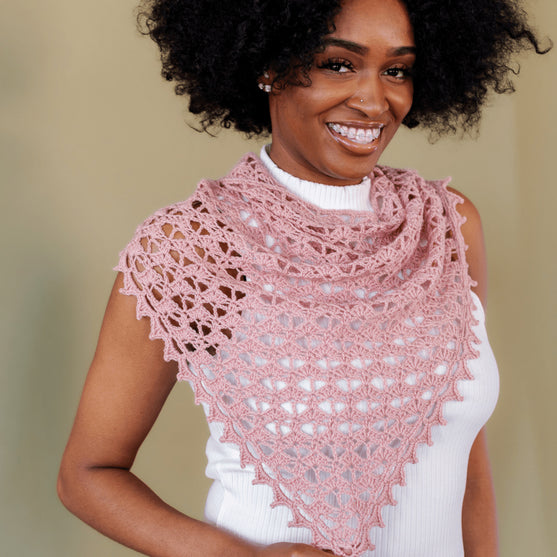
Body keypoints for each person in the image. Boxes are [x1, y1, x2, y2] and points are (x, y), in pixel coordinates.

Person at [57, 0, 549, 556]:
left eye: (397, 70)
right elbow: (87, 474)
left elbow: (462, 450)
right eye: (338, 64)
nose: (374, 101)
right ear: (269, 66)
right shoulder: (197, 245)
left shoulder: (447, 226)